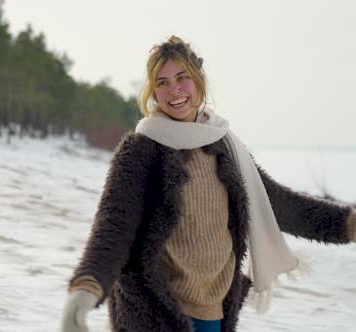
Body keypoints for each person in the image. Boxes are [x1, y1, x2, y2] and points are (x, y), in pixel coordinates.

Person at [60, 35, 356, 332]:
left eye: (181, 77)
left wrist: (348, 224)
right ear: (153, 91)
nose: (174, 90)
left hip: (214, 311)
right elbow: (114, 223)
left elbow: (280, 204)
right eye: (161, 82)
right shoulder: (142, 150)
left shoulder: (225, 147)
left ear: (198, 80)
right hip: (154, 312)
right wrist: (86, 287)